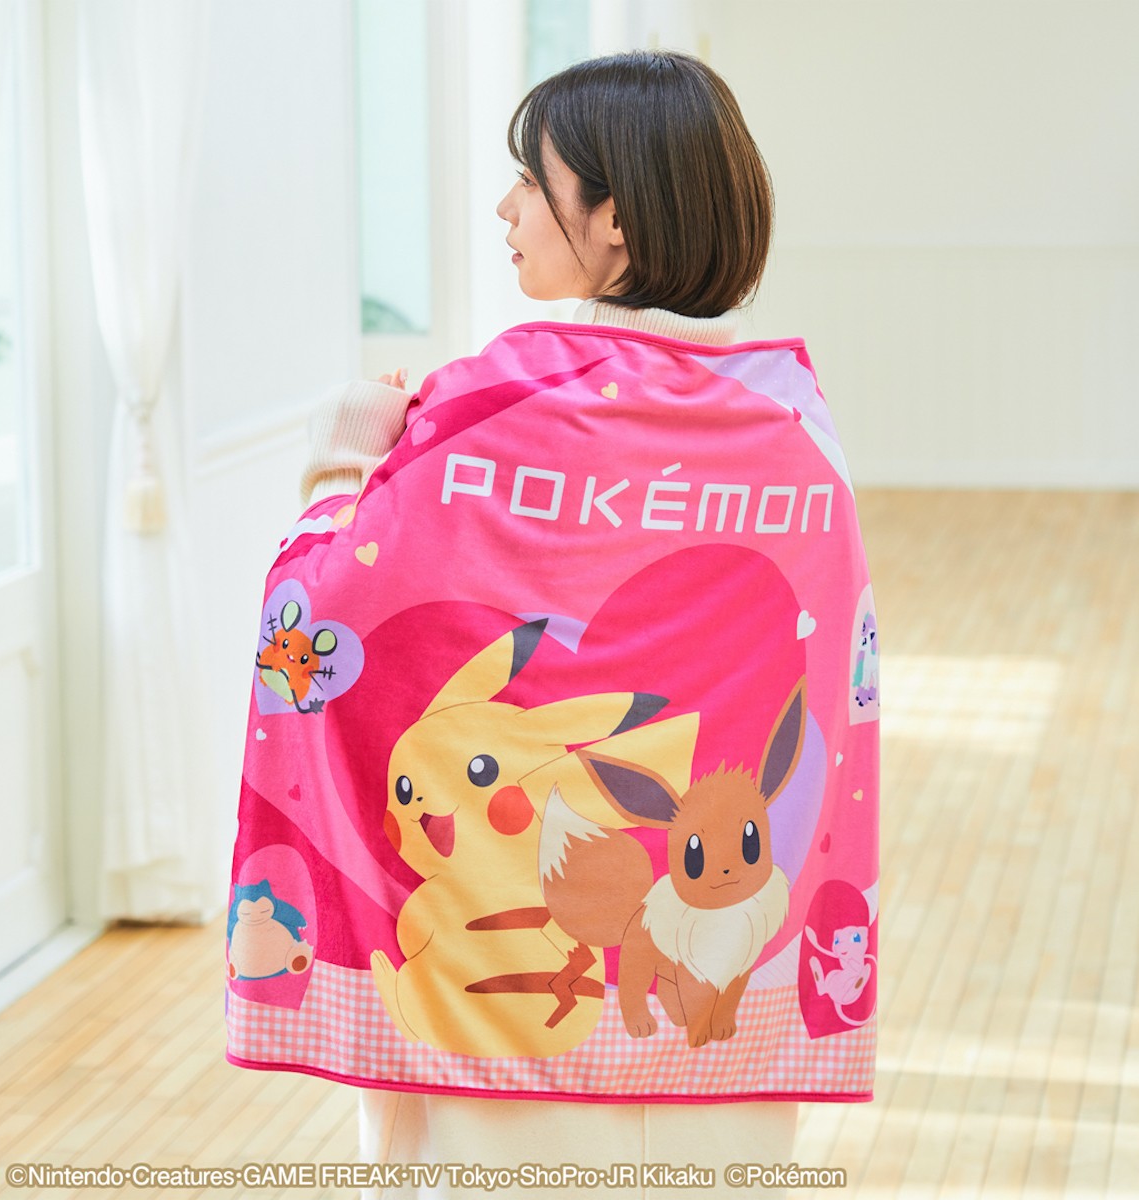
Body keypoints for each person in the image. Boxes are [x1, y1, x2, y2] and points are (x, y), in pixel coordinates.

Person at [229, 49, 879, 1200]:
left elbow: (314, 631)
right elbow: (824, 687)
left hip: (505, 1035)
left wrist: (343, 459)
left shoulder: (493, 408)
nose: (506, 206)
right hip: (714, 1013)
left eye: (532, 179)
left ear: (613, 219)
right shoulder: (794, 429)